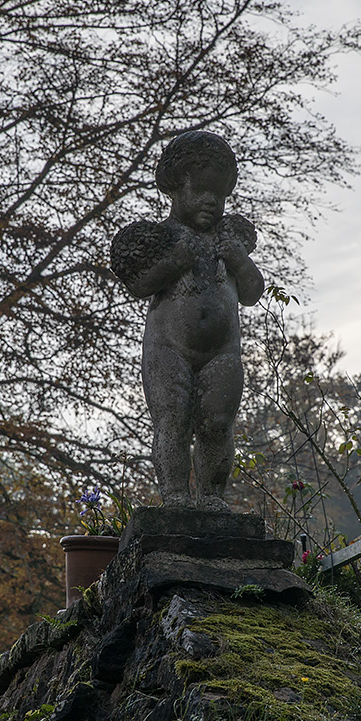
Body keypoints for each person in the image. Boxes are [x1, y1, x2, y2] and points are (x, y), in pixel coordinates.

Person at [110, 131, 264, 510]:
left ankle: (212, 496)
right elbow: (139, 284)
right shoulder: (162, 238)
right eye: (201, 191)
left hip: (223, 351)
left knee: (217, 423)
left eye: (220, 194)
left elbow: (252, 293)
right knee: (172, 420)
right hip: (168, 349)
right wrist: (174, 261)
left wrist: (241, 261)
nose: (211, 202)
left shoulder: (229, 240)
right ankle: (175, 496)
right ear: (176, 189)